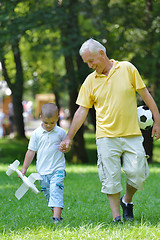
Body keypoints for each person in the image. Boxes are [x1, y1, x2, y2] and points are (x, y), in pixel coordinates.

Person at [59, 38, 160, 223]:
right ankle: (117, 218)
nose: (90, 66)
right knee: (110, 179)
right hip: (105, 137)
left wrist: (158, 121)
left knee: (138, 174)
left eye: (91, 61)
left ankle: (127, 200)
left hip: (132, 134)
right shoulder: (90, 81)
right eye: (86, 63)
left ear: (102, 54)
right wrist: (69, 137)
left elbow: (145, 94)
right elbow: (82, 110)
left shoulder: (127, 69)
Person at [21, 103, 67, 224]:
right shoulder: (36, 134)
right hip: (42, 172)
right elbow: (31, 151)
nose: (49, 125)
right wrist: (24, 168)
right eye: (46, 122)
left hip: (58, 169)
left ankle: (56, 219)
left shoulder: (61, 133)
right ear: (41, 117)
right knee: (49, 195)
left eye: (52, 122)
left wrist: (66, 148)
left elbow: (67, 147)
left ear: (57, 118)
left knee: (56, 191)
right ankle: (56, 216)